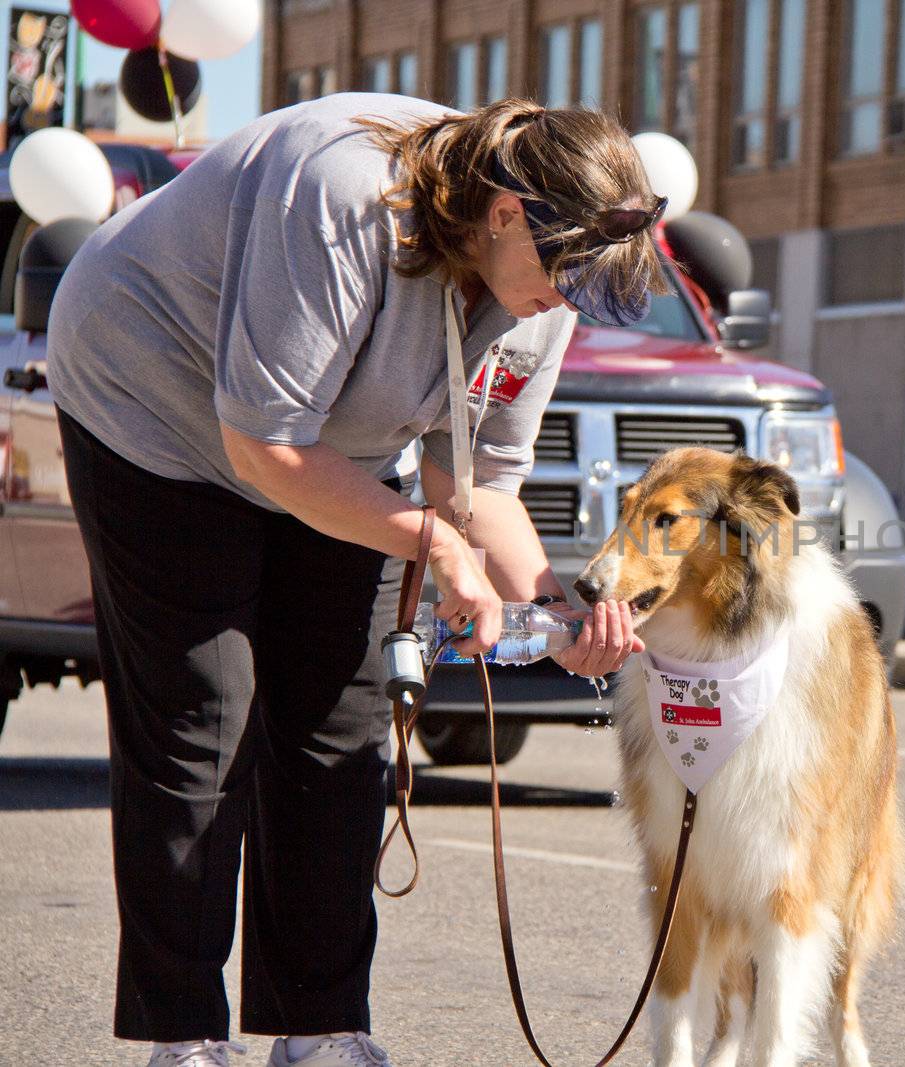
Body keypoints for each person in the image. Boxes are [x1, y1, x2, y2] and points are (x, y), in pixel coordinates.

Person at [48, 93, 668, 1067]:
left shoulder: (543, 295)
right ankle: (185, 1036)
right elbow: (262, 446)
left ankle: (318, 1025)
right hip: (154, 407)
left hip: (329, 448)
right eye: (562, 276)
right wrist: (433, 543)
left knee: (337, 721)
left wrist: (556, 598)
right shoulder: (341, 196)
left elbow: (475, 481)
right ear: (505, 211)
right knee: (204, 718)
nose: (564, 304)